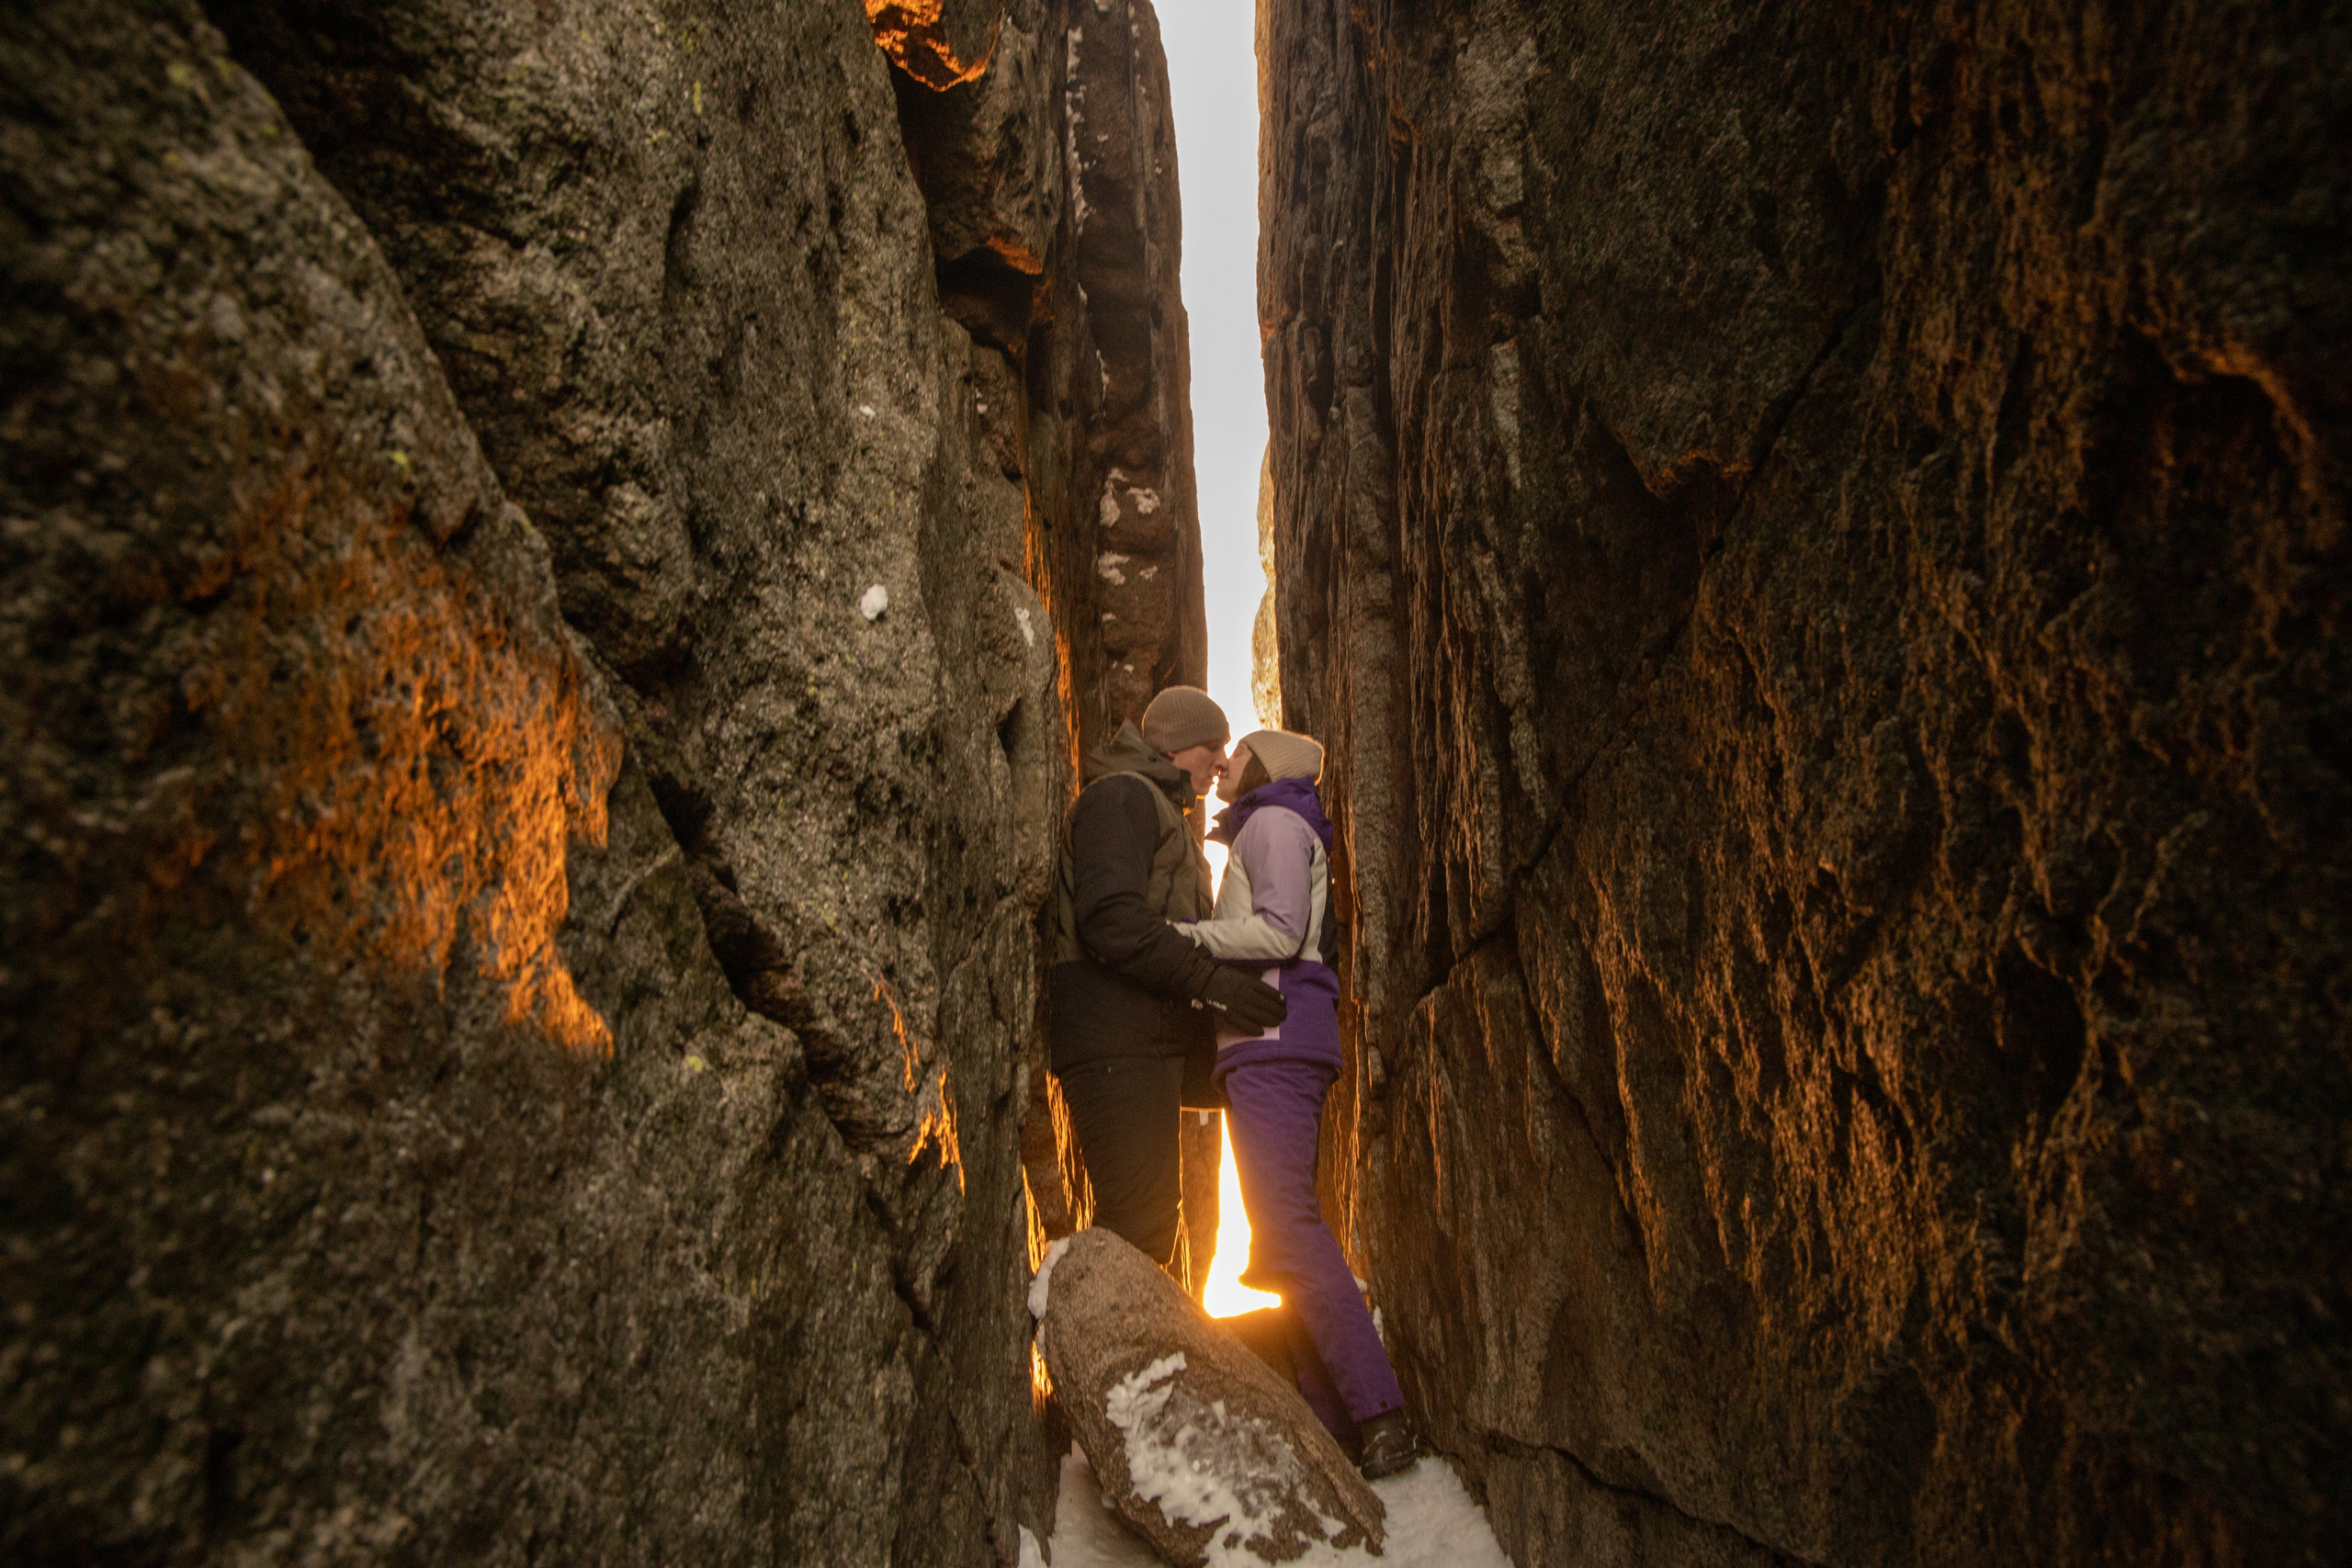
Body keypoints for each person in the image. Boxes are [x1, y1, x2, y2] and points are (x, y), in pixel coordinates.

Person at [1181, 728, 1419, 1480]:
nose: (1226, 762)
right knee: (1282, 1233)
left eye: (1239, 751)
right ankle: (1336, 1415)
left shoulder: (1276, 823)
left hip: (1277, 1039)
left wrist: (1182, 939)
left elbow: (1281, 931)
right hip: (1267, 1045)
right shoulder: (1264, 825)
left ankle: (1380, 1410)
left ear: (1267, 765)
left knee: (1288, 1223)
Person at [1049, 686, 1289, 1280]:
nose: (1221, 763)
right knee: (1142, 1226)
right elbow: (1109, 919)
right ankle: (1101, 1360)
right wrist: (1213, 982)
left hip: (1157, 1026)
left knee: (1268, 1063)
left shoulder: (1169, 816)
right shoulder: (1121, 796)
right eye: (1214, 747)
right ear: (1180, 745)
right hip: (1114, 1036)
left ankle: (1287, 1239)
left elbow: (1183, 935)